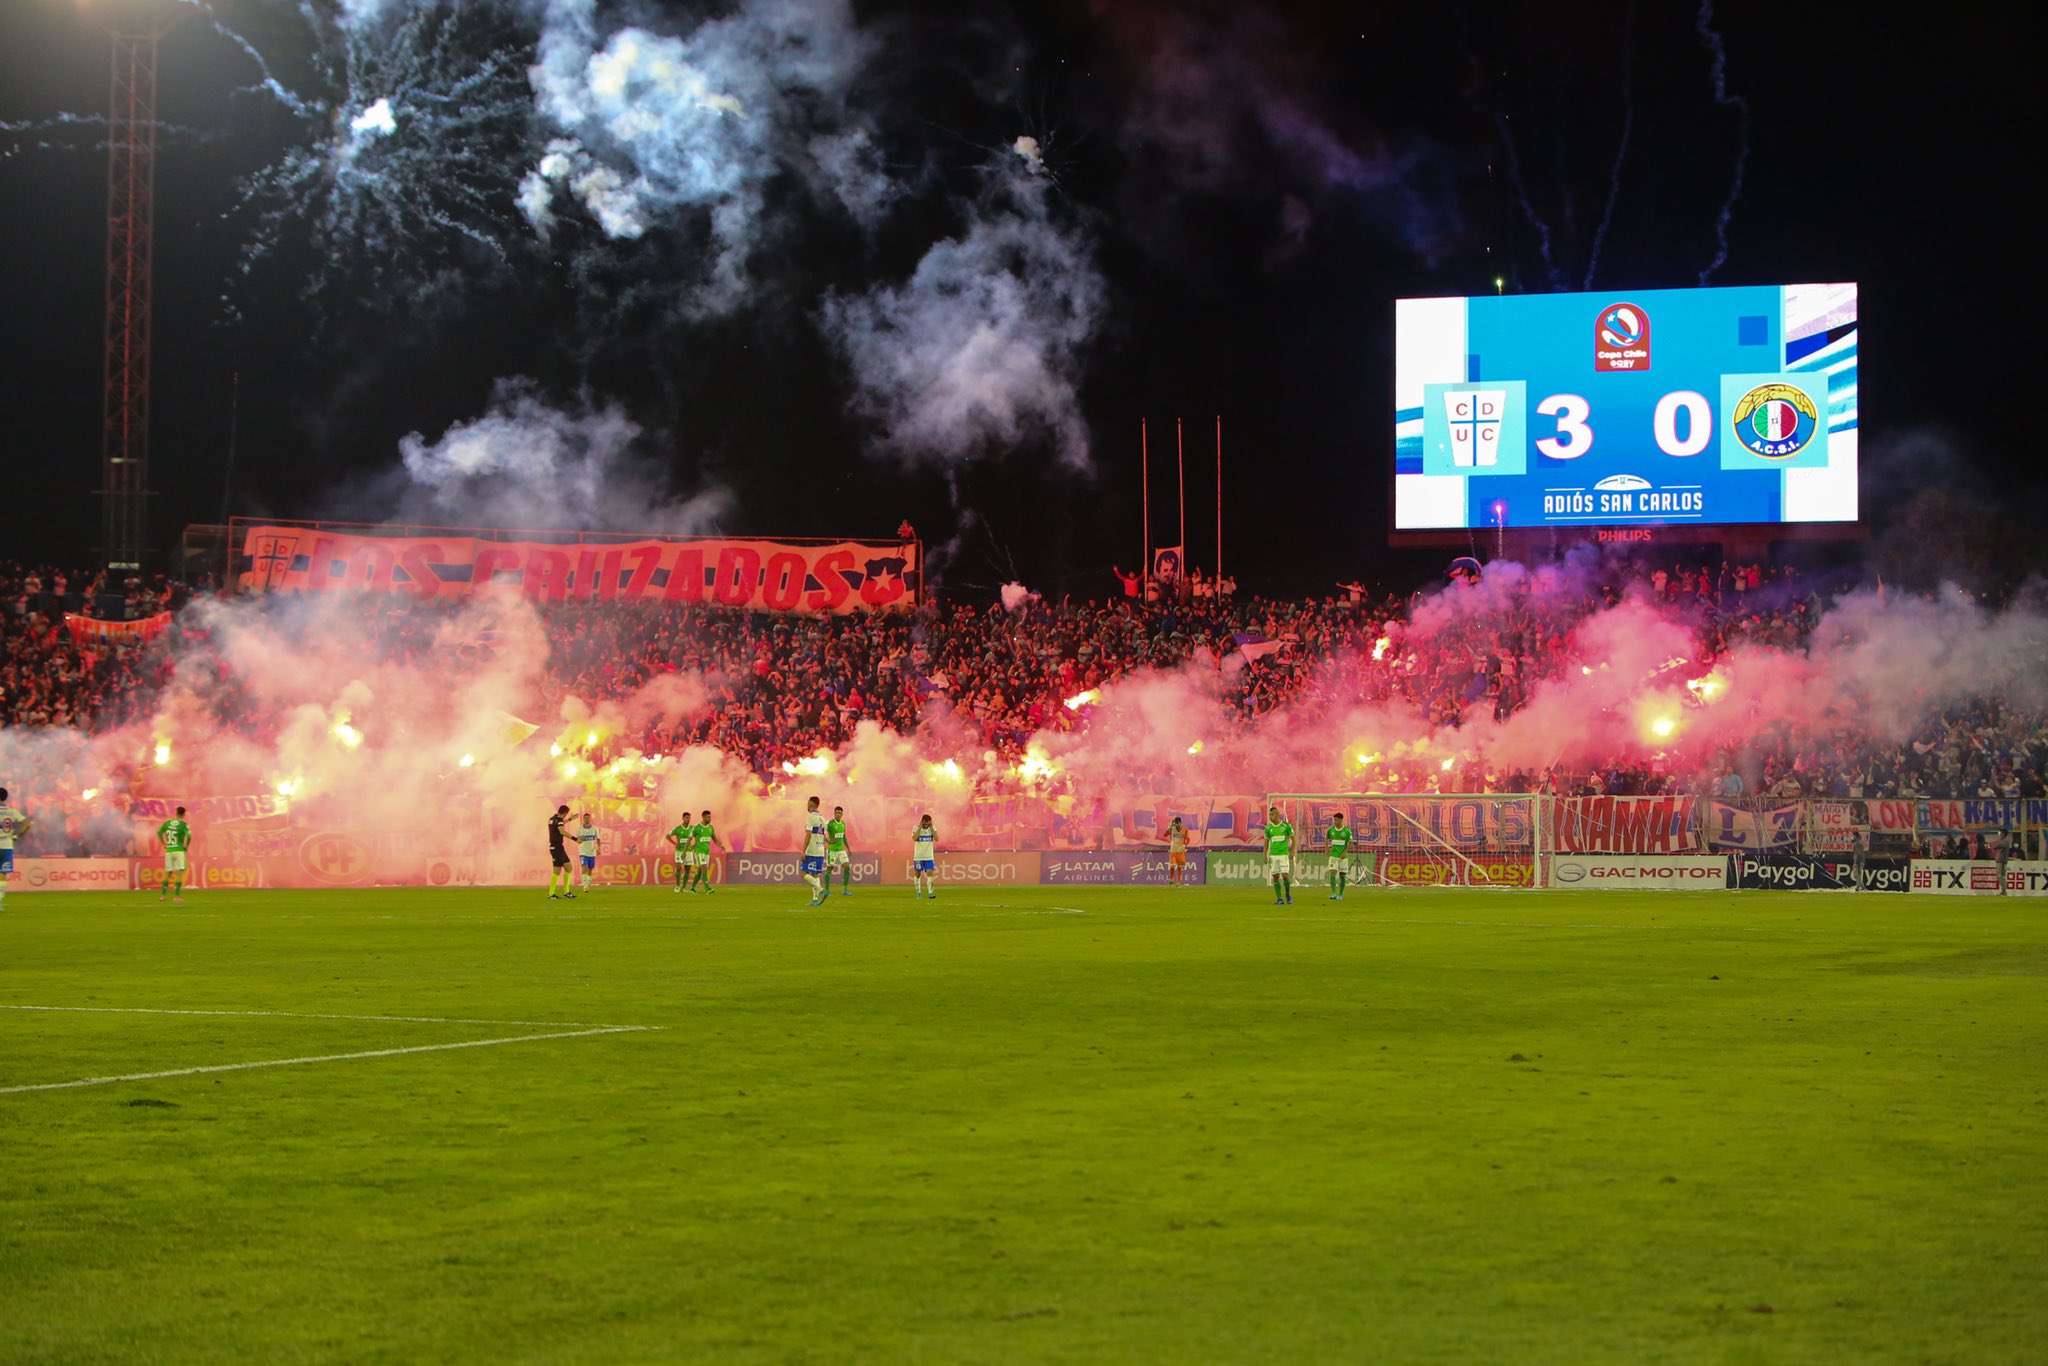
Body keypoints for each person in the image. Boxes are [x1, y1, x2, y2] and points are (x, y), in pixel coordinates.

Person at [0, 787, 30, 912]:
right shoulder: (12, 811)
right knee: (2, 876)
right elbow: (27, 823)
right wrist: (16, 836)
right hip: (6, 846)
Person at [157, 805, 191, 903]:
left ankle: (163, 896)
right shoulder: (183, 825)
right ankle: (176, 897)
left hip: (169, 850)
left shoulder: (167, 823)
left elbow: (159, 832)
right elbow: (189, 836)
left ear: (176, 813)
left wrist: (164, 843)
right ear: (184, 814)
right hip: (179, 850)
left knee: (168, 873)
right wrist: (186, 846)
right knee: (179, 873)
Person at [801, 795, 829, 906]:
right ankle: (815, 899)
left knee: (803, 873)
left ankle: (821, 890)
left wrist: (803, 851)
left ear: (811, 804)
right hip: (820, 850)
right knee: (815, 874)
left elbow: (808, 834)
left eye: (808, 802)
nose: (807, 805)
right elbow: (824, 836)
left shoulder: (810, 817)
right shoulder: (822, 818)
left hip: (812, 850)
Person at [1265, 805, 1294, 905]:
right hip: (1273, 856)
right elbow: (1266, 842)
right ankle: (1279, 899)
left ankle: (1288, 895)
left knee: (1285, 876)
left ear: (1277, 815)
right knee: (1275, 877)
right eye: (1269, 815)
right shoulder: (1268, 828)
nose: (1270, 817)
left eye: (1272, 814)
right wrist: (1265, 854)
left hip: (1284, 855)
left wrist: (1293, 852)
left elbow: (1293, 840)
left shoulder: (1286, 826)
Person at [690, 810, 724, 893]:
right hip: (699, 852)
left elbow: (714, 839)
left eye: (710, 817)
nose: (710, 819)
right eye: (708, 817)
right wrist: (690, 847)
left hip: (706, 852)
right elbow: (689, 838)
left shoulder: (710, 828)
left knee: (699, 870)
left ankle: (692, 888)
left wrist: (720, 845)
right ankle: (708, 889)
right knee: (704, 868)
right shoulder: (696, 827)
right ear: (703, 817)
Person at [547, 804, 576, 899]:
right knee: (557, 871)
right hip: (556, 848)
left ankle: (566, 892)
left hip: (558, 847)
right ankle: (551, 894)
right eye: (566, 814)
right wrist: (575, 839)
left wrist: (570, 819)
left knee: (569, 868)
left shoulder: (552, 819)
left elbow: (560, 823)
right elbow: (562, 831)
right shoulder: (558, 820)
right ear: (565, 813)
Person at [1326, 811, 1354, 901]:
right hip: (1333, 855)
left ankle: (1340, 894)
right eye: (1334, 820)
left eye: (1336, 820)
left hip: (1343, 857)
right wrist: (1326, 849)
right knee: (1333, 873)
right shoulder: (1331, 830)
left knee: (1342, 876)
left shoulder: (1347, 831)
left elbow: (1350, 843)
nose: (1334, 821)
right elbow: (1327, 839)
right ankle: (1334, 893)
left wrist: (1345, 852)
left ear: (1341, 820)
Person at [912, 814, 939, 899]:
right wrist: (920, 828)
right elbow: (914, 838)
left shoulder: (932, 828)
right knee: (918, 874)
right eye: (924, 824)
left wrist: (932, 828)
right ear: (921, 822)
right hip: (918, 856)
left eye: (927, 824)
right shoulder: (916, 827)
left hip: (929, 856)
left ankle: (930, 892)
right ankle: (918, 892)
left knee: (930, 873)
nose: (926, 826)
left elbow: (937, 839)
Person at [826, 805, 852, 896]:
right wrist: (828, 841)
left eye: (840, 813)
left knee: (847, 867)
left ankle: (844, 889)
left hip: (841, 850)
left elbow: (843, 836)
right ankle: (826, 890)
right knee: (830, 868)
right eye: (836, 812)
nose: (838, 814)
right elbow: (821, 832)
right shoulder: (830, 823)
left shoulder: (843, 824)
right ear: (834, 813)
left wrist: (848, 848)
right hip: (832, 850)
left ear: (842, 814)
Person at [667, 812, 695, 893]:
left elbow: (698, 836)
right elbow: (667, 836)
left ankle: (683, 888)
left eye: (689, 818)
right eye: (686, 818)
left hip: (689, 852)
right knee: (679, 868)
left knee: (687, 870)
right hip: (679, 852)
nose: (688, 819)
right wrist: (674, 843)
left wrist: (695, 845)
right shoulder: (678, 828)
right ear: (683, 818)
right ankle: (677, 886)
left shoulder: (692, 828)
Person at [576, 812, 601, 893]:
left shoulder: (594, 829)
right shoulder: (580, 829)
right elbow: (577, 840)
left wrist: (599, 848)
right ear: (583, 819)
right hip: (583, 852)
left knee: (590, 869)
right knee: (584, 868)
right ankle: (585, 887)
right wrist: (580, 839)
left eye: (588, 818)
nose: (587, 819)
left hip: (592, 852)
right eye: (585, 818)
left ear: (590, 819)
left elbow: (598, 839)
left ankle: (587, 884)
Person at [1165, 816, 1188, 888]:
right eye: (1176, 824)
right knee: (1172, 866)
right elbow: (1165, 835)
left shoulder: (1185, 830)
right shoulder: (1172, 829)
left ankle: (1178, 883)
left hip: (1180, 851)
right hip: (1173, 850)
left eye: (1178, 824)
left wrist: (1184, 846)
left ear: (1180, 823)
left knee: (1180, 867)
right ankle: (1171, 880)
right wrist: (1168, 828)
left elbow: (1188, 839)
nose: (1177, 826)